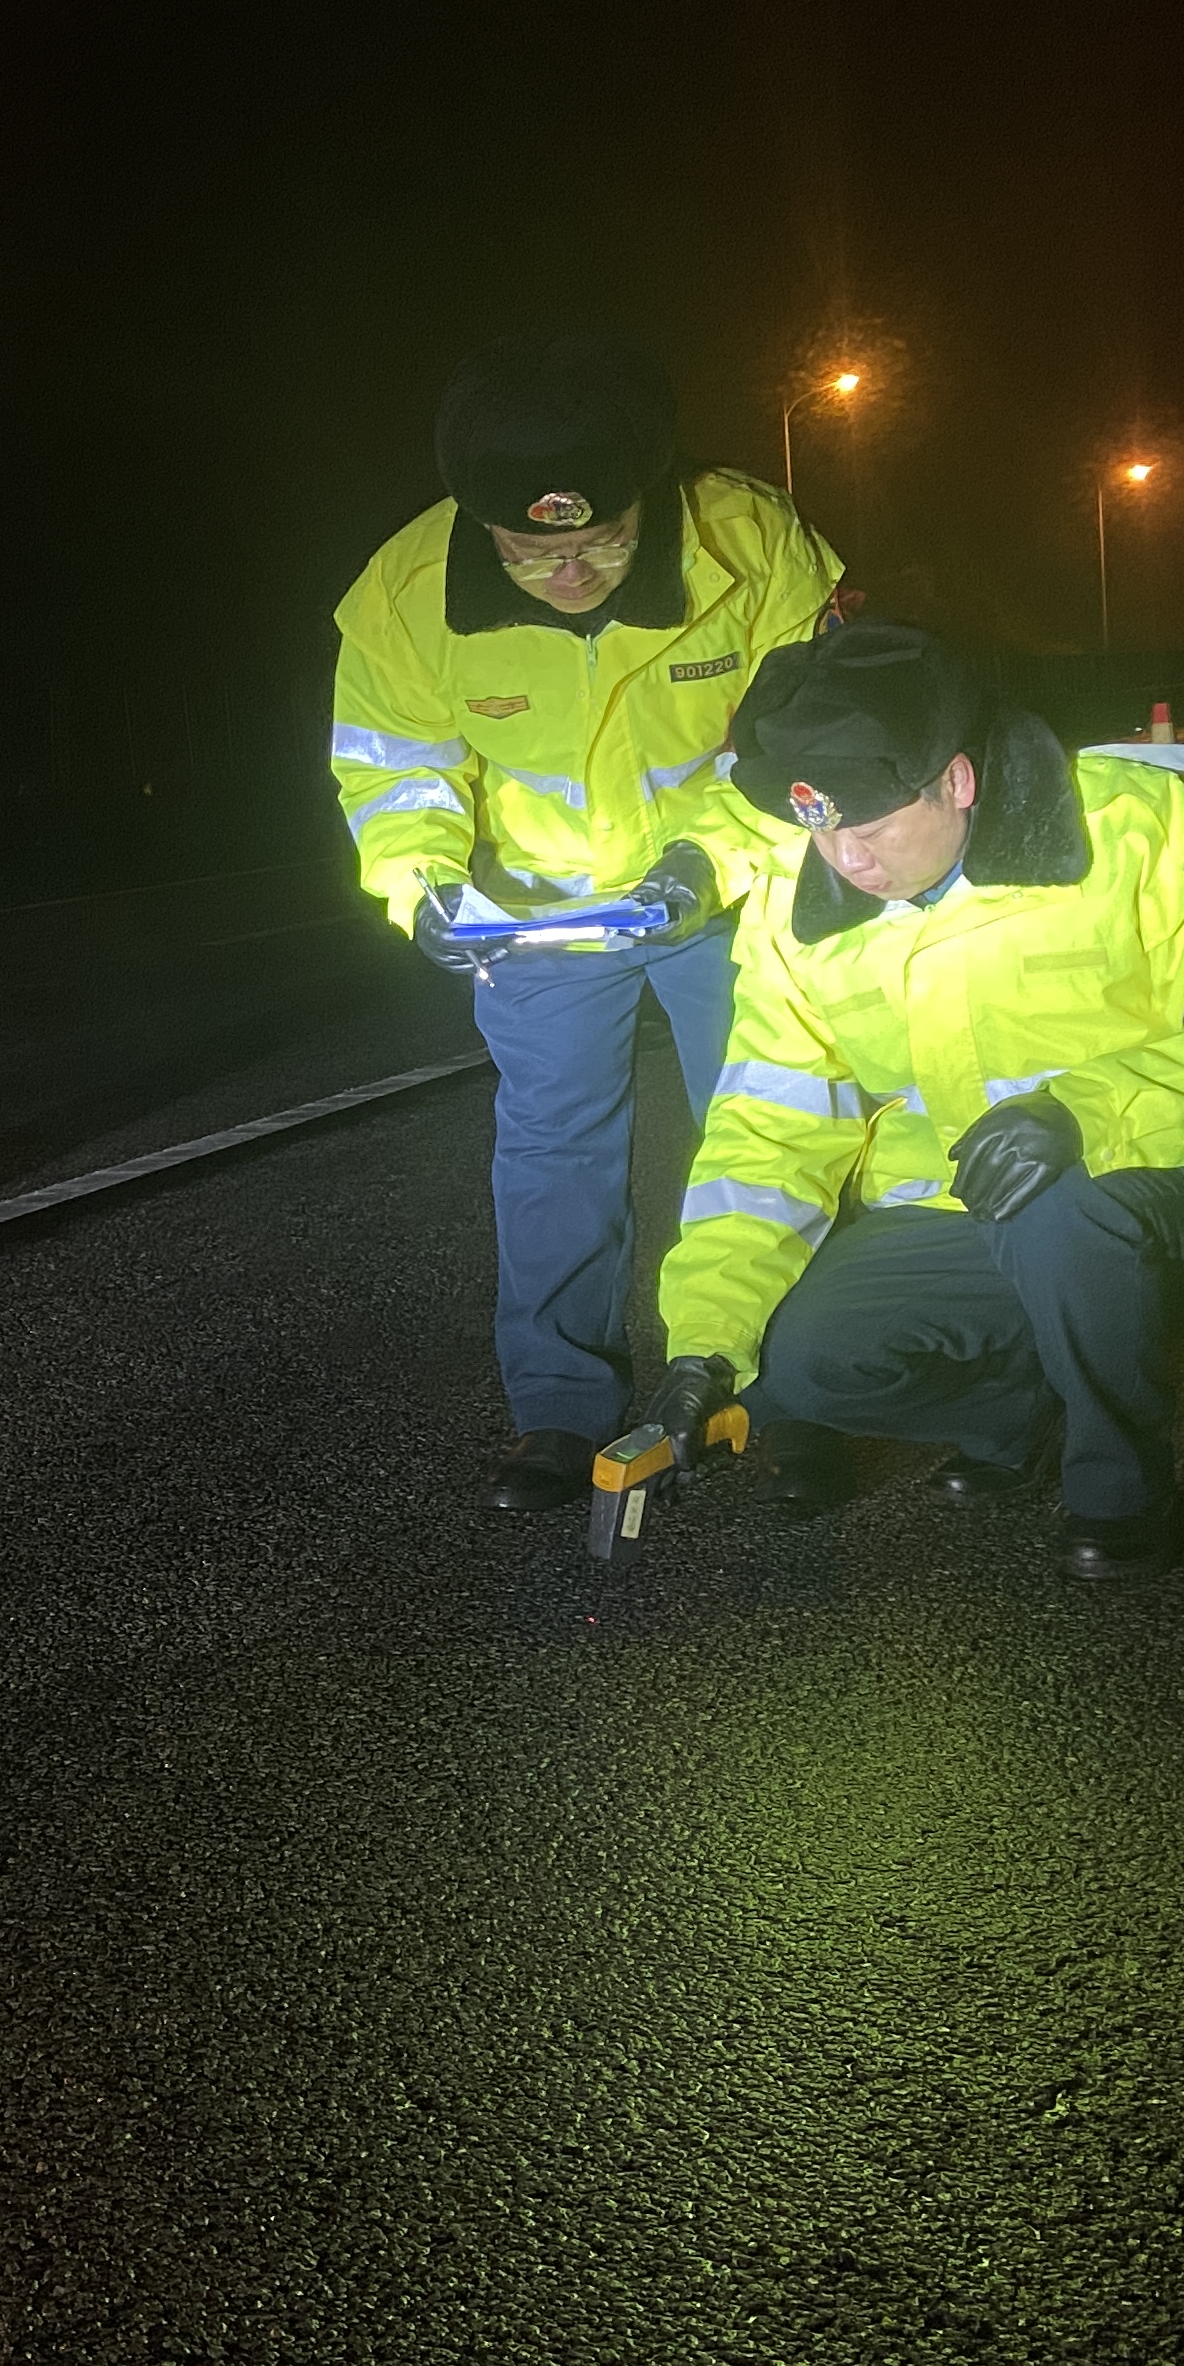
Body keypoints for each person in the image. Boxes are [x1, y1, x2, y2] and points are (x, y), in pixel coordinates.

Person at [639, 616, 1184, 1580]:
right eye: (823, 829)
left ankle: (1124, 1487)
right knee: (797, 1366)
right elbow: (766, 1135)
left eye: (870, 827)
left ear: (957, 781)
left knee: (1054, 1204)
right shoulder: (794, 910)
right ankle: (1021, 1416)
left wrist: (1081, 1114)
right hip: (957, 1211)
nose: (848, 861)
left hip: (1182, 1185)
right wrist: (704, 1347)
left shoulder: (1134, 823)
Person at [330, 334, 844, 1508]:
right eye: (530, 551)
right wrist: (423, 884)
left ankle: (795, 1396)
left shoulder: (753, 543)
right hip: (536, 910)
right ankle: (559, 1409)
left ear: (648, 494)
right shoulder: (404, 594)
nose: (571, 574)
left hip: (730, 889)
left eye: (602, 540)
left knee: (778, 1125)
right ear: (478, 521)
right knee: (552, 1151)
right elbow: (394, 770)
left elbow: (803, 744)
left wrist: (708, 860)